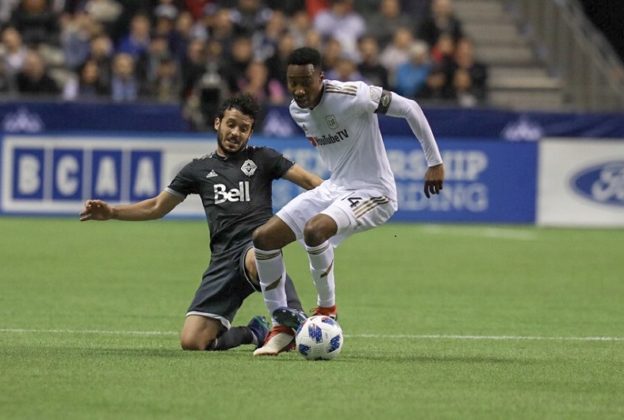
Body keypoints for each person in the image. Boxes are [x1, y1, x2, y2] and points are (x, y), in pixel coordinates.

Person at [79, 94, 323, 352]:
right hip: (222, 261)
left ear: (251, 133)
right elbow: (156, 207)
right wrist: (113, 212)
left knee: (259, 254)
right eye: (231, 124)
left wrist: (340, 202)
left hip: (254, 249)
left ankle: (295, 321)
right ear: (217, 123)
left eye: (244, 128)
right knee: (192, 342)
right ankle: (253, 332)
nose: (235, 133)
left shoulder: (264, 158)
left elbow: (311, 182)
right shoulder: (197, 169)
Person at [251, 47, 444, 356]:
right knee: (263, 239)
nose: (299, 90)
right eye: (292, 82)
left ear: (321, 77)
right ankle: (282, 327)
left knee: (315, 230)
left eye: (306, 81)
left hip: (374, 192)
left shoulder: (353, 94)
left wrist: (434, 162)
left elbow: (410, 107)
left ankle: (327, 312)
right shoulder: (295, 110)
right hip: (336, 187)